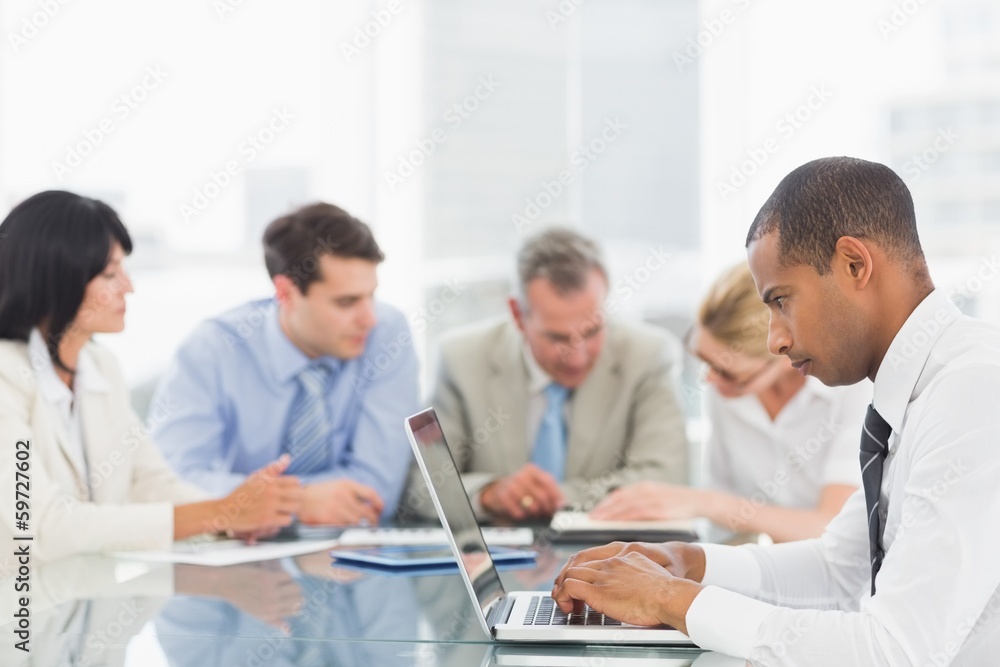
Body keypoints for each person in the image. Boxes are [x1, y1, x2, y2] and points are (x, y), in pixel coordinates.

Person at [552, 157, 1000, 664]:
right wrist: (684, 563)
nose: (775, 339)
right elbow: (837, 570)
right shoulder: (912, 392)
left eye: (781, 301)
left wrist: (667, 598)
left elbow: (892, 650)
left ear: (855, 264)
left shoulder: (975, 389)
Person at [0, 191, 302, 564]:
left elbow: (150, 483)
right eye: (111, 273)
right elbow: (41, 527)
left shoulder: (99, 366)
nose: (129, 287)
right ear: (54, 278)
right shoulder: (5, 378)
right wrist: (217, 513)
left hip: (83, 600)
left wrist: (234, 515)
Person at [151, 202, 419, 526]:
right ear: (286, 292)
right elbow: (171, 485)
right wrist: (298, 503)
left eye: (371, 296)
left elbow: (377, 490)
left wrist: (255, 500)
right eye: (346, 302)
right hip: (238, 557)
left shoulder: (387, 334)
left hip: (353, 556)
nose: (368, 318)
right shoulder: (213, 350)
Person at [403, 227, 688, 523]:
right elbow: (423, 486)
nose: (577, 357)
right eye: (557, 338)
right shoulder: (461, 359)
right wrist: (490, 494)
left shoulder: (649, 357)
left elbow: (665, 480)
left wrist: (552, 498)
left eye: (592, 331)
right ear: (517, 314)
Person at [591, 262, 868, 542]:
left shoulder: (853, 391)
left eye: (728, 371)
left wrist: (705, 503)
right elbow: (725, 529)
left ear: (787, 355)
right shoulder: (726, 392)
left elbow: (833, 529)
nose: (710, 379)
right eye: (706, 360)